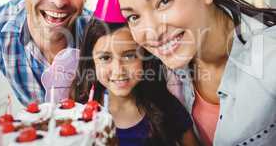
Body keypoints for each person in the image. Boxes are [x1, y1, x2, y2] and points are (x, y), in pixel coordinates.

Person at [114, 0, 276, 145]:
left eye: (164, 1)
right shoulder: (164, 67)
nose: (152, 33)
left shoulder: (269, 57)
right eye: (134, 17)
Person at [72, 18, 200, 146]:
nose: (118, 70)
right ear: (92, 63)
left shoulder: (166, 106)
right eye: (105, 58)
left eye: (129, 56)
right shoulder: (77, 112)